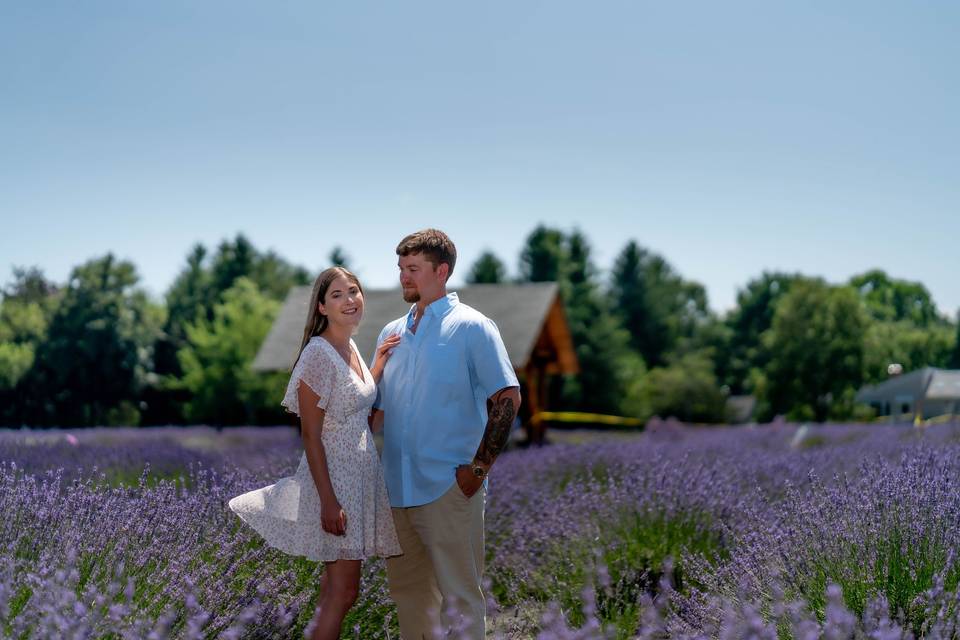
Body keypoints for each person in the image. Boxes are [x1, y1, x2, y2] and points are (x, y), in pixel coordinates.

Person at [228, 267, 402, 640]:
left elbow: (350, 400)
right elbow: (310, 434)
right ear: (321, 307)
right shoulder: (318, 355)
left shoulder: (350, 346)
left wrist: (378, 368)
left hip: (357, 481)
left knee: (332, 594)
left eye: (353, 291)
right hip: (335, 484)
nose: (349, 300)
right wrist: (327, 500)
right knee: (344, 592)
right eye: (337, 295)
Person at [370, 229, 521, 639]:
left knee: (460, 600)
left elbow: (507, 397)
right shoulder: (390, 334)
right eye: (401, 268)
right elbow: (374, 413)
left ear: (442, 271)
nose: (404, 277)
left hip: (449, 489)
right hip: (396, 492)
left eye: (413, 269)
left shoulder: (472, 327)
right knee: (410, 598)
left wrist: (478, 470)